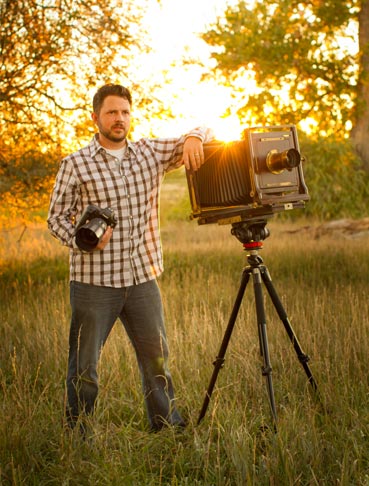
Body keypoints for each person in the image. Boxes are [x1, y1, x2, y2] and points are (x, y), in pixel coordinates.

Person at [47, 83, 214, 432]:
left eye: (124, 112)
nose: (119, 119)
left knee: (157, 362)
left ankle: (166, 426)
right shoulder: (75, 164)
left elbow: (203, 130)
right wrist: (83, 242)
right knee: (84, 367)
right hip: (94, 283)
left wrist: (195, 138)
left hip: (142, 280)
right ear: (96, 118)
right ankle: (78, 434)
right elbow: (56, 218)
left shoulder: (149, 153)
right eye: (111, 112)